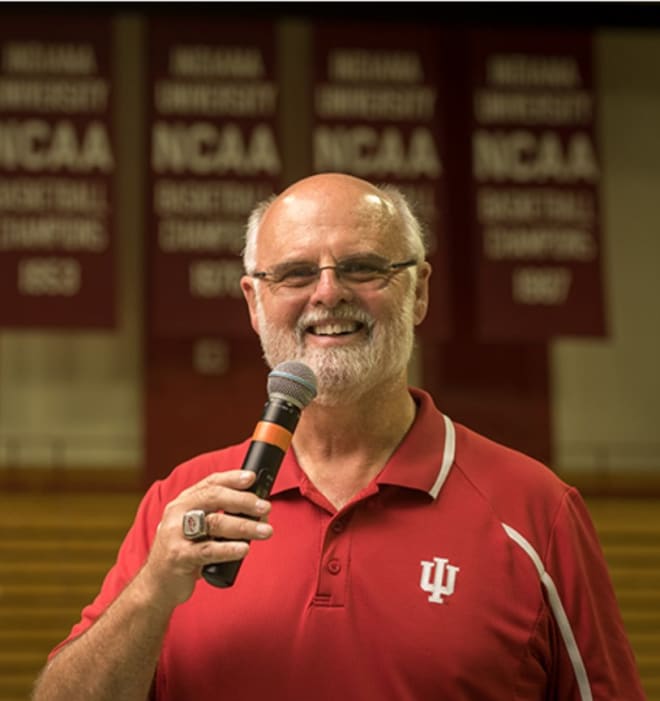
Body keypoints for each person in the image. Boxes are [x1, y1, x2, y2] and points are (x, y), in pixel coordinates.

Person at [33, 173, 645, 701]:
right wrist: (151, 595)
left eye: (362, 267)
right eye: (296, 273)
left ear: (420, 290)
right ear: (254, 301)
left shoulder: (538, 512)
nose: (328, 292)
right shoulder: (184, 504)